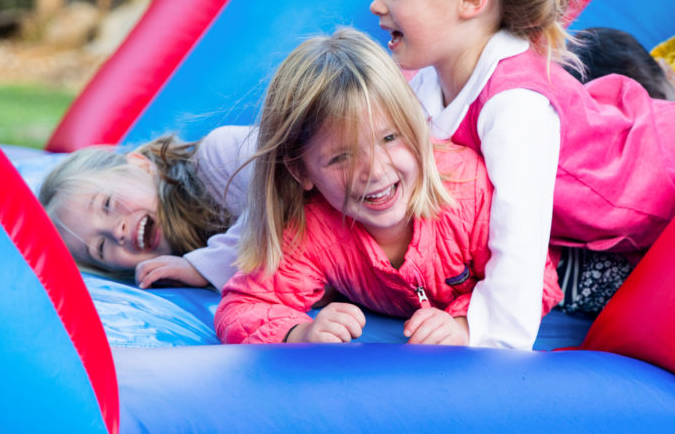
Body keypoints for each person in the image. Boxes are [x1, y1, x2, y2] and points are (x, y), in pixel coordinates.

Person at [367, 0, 675, 345]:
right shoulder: (434, 75)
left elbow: (519, 242)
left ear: (471, 0)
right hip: (611, 175)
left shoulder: (514, 105)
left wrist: (480, 331)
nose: (377, 4)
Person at [214, 27, 563, 345]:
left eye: (390, 138)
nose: (375, 171)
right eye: (341, 158)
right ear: (301, 171)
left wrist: (464, 322)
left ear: (416, 127)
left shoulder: (466, 189)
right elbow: (244, 306)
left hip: (571, 252)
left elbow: (533, 278)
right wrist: (298, 333)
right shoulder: (312, 229)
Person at [39, 125, 256, 290]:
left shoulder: (221, 155)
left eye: (107, 205)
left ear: (141, 166)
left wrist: (205, 266)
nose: (117, 232)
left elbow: (282, 197)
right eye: (101, 247)